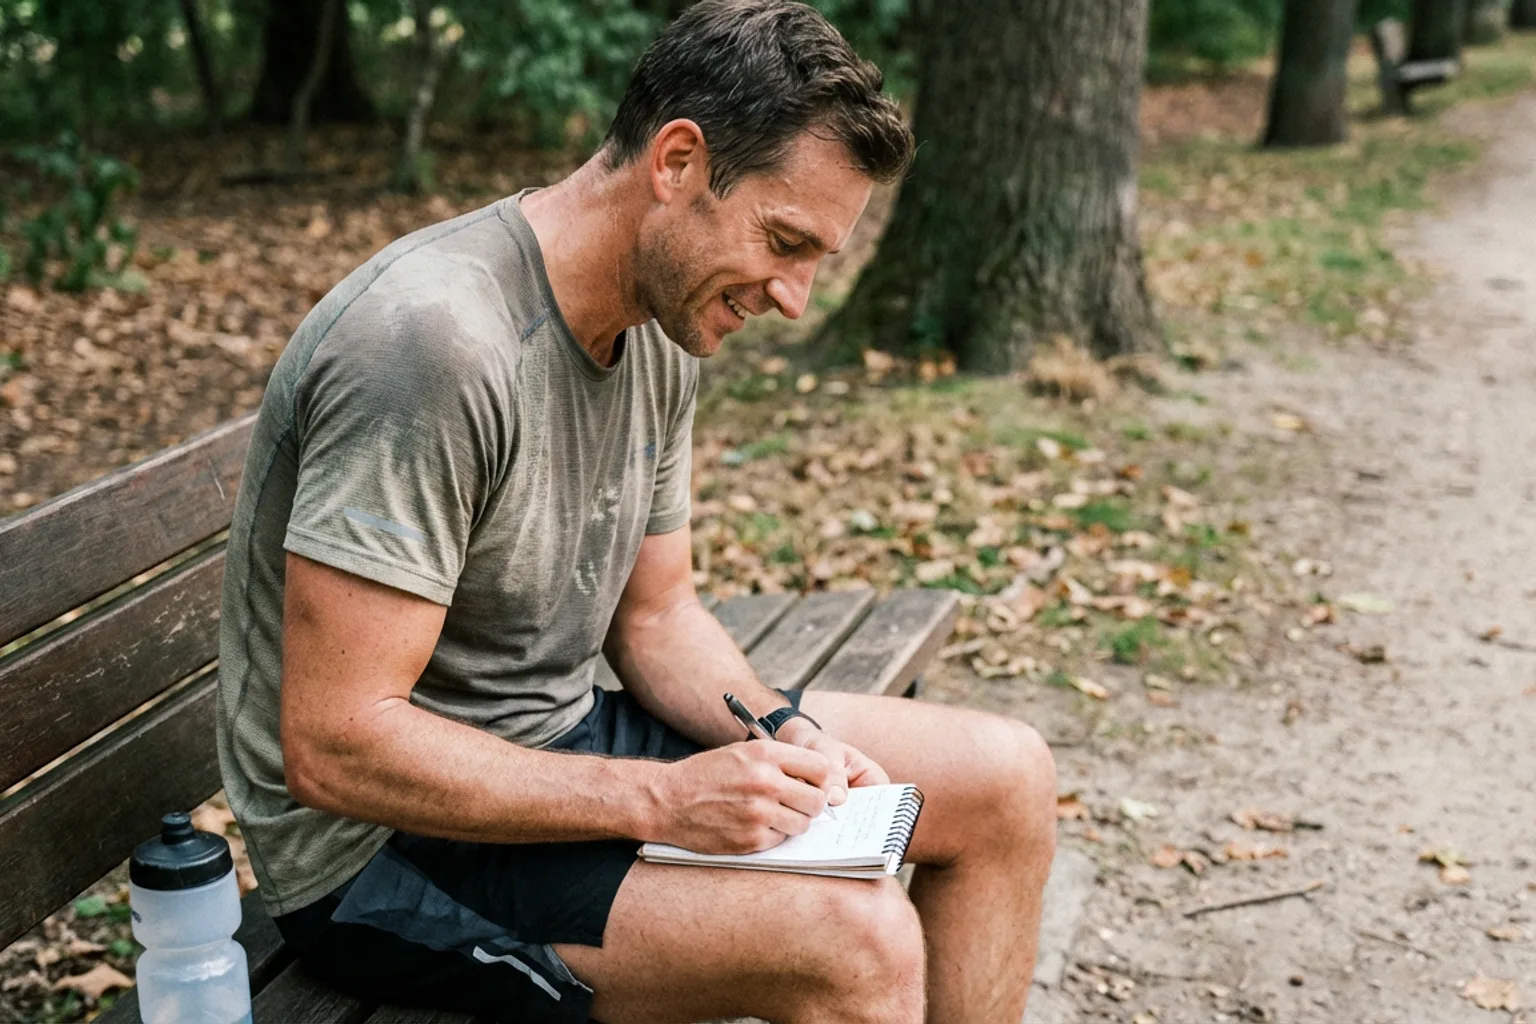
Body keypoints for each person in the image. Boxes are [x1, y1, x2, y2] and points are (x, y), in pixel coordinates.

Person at [216, 1, 1056, 1020]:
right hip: (383, 854)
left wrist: (783, 731)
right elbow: (335, 743)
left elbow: (659, 617)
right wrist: (663, 800)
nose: (793, 299)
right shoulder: (432, 346)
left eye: (815, 262)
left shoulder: (660, 318)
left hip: (562, 745)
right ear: (678, 161)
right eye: (784, 242)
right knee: (859, 939)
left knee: (1005, 780)